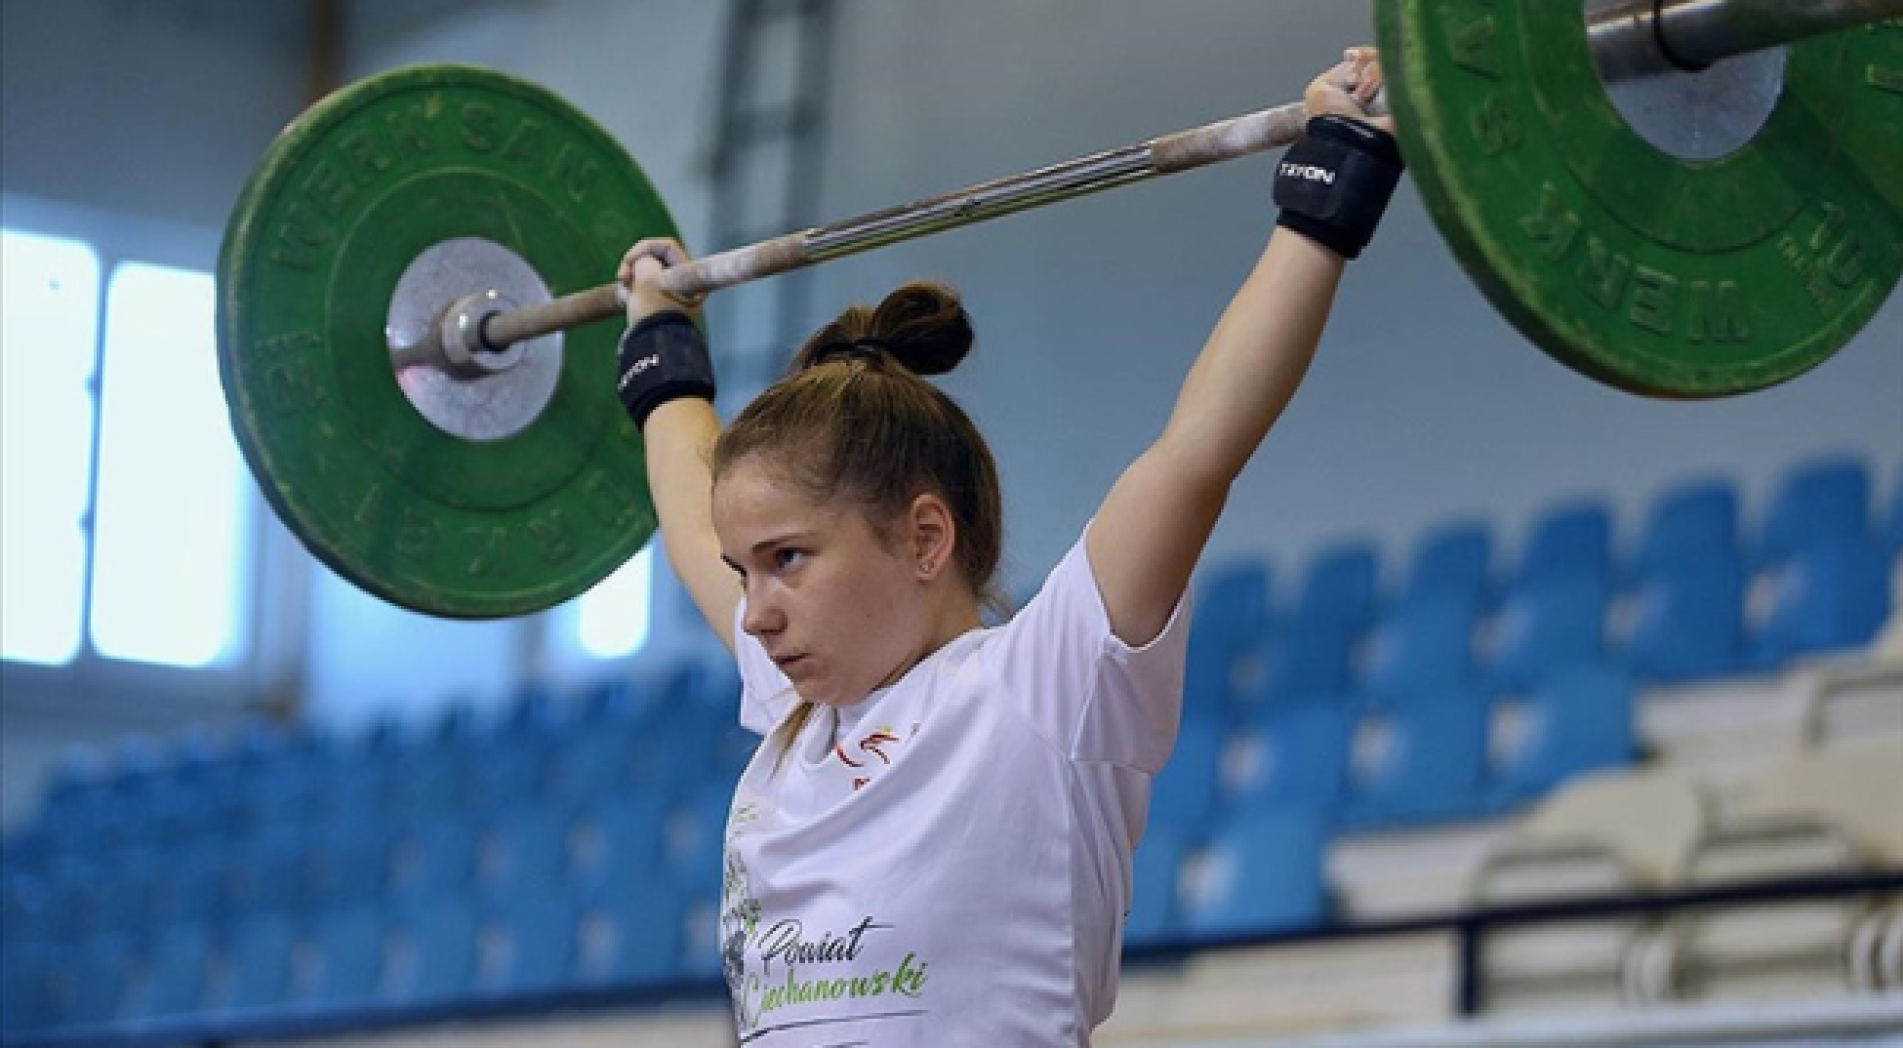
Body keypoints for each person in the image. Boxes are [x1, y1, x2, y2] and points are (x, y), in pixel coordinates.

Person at [613, 48, 1402, 1047]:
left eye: (789, 559)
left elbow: (1196, 453)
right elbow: (693, 504)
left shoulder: (1044, 685)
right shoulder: (797, 709)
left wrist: (1333, 180)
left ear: (924, 537)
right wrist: (659, 342)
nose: (754, 611)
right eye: (746, 573)